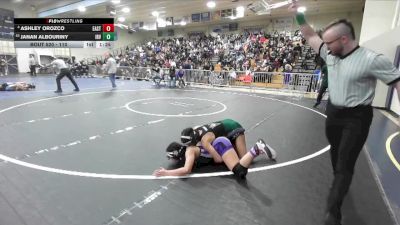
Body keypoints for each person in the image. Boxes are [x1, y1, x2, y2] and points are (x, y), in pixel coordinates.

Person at [289, 3, 400, 225]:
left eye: (329, 42)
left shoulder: (372, 59)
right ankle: (341, 181)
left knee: (344, 164)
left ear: (344, 40)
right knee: (336, 157)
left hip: (357, 118)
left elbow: (397, 82)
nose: (324, 47)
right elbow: (310, 34)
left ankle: (333, 212)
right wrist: (298, 14)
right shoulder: (330, 53)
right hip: (334, 113)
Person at [153, 137, 275, 179]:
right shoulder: (189, 150)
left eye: (171, 157)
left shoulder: (189, 151)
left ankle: (257, 148)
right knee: (241, 170)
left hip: (220, 145)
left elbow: (186, 170)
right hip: (219, 147)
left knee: (239, 170)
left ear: (176, 153)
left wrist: (166, 173)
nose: (171, 160)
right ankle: (258, 147)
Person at [181, 119, 276, 162]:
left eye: (190, 144)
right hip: (226, 123)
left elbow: (218, 159)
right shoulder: (196, 129)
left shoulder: (205, 141)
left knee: (243, 159)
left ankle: (259, 146)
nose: (189, 146)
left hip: (233, 128)